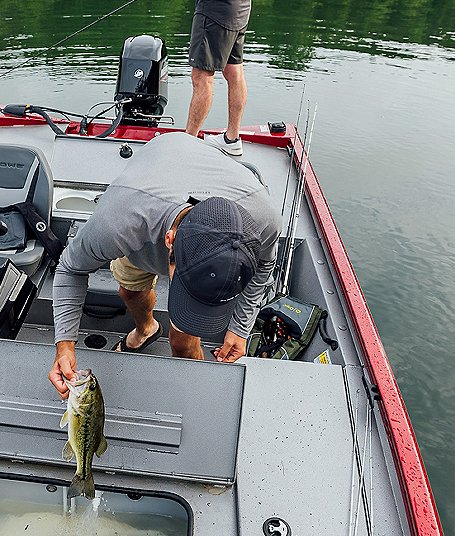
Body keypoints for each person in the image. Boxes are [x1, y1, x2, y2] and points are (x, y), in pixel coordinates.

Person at [48, 132, 281, 399]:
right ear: (169, 240)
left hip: (191, 181)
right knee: (130, 292)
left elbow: (265, 265)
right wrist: (64, 346)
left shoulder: (264, 220)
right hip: (148, 212)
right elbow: (71, 268)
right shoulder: (120, 224)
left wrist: (240, 328)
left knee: (183, 342)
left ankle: (190, 397)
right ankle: (147, 328)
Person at [185, 0, 252, 156]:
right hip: (240, 8)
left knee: (201, 76)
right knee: (234, 71)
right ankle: (232, 139)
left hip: (214, 11)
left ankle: (188, 143)